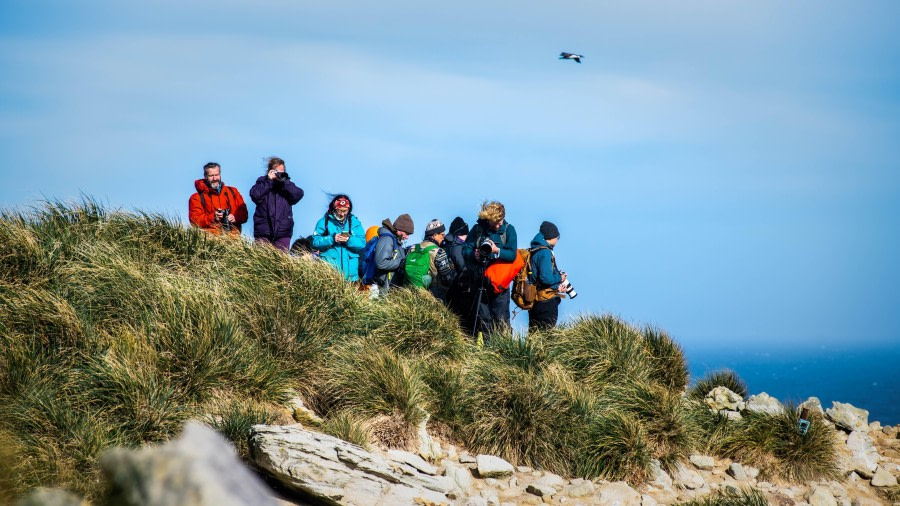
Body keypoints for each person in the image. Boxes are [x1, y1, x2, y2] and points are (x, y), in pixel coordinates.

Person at [463, 201, 517, 336]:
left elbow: (512, 255)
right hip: (480, 280)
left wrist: (496, 250)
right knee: (484, 320)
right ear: (488, 220)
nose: (499, 224)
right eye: (495, 222)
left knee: (501, 320)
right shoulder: (477, 230)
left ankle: (504, 352)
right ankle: (488, 353)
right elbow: (465, 250)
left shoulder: (509, 230)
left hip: (500, 283)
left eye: (500, 221)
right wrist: (473, 254)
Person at [249, 157, 304, 251]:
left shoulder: (287, 185)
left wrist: (285, 182)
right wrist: (269, 181)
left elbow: (298, 195)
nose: (279, 175)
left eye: (282, 172)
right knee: (260, 262)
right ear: (270, 171)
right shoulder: (262, 182)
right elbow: (255, 195)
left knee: (280, 263)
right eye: (277, 172)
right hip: (264, 231)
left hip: (283, 232)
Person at [311, 194, 365, 281]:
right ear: (334, 208)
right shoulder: (323, 222)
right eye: (340, 211)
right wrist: (332, 239)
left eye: (345, 211)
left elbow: (362, 243)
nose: (342, 214)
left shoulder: (355, 222)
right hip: (329, 274)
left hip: (351, 276)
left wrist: (349, 240)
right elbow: (315, 242)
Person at [188, 162, 248, 235]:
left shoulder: (233, 192)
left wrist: (235, 217)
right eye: (211, 176)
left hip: (233, 239)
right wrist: (213, 217)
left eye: (217, 175)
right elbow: (194, 221)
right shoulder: (196, 197)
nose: (215, 178)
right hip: (211, 240)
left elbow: (244, 214)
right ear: (205, 176)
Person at [528, 221, 566, 332]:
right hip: (546, 302)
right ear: (551, 236)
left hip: (535, 300)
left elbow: (539, 278)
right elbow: (545, 278)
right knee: (547, 335)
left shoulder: (534, 250)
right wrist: (560, 278)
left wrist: (557, 288)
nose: (558, 240)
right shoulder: (545, 252)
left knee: (534, 335)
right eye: (557, 237)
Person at [406, 219, 455, 301]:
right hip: (434, 293)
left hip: (411, 290)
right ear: (435, 235)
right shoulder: (439, 251)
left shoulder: (413, 248)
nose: (443, 238)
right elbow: (447, 278)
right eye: (442, 235)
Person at [442, 217, 475, 329]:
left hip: (445, 286)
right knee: (463, 320)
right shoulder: (458, 247)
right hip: (458, 288)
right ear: (461, 233)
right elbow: (463, 268)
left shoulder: (445, 244)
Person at [371, 214, 414, 295]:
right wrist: (401, 263)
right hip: (382, 287)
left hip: (387, 286)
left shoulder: (395, 240)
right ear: (400, 229)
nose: (407, 237)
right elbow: (381, 263)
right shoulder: (387, 239)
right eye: (407, 233)